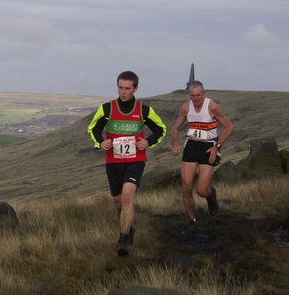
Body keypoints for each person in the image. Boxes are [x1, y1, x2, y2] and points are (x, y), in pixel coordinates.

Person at [87, 71, 167, 256]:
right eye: (120, 88)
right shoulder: (107, 109)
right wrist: (101, 142)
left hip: (135, 160)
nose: (123, 92)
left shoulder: (144, 110)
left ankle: (123, 241)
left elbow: (160, 129)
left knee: (127, 196)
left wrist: (148, 142)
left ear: (135, 88)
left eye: (127, 88)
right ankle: (129, 228)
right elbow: (94, 128)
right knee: (118, 202)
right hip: (113, 161)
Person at [171, 80, 234, 231]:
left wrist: (217, 146)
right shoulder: (186, 107)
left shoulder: (212, 106)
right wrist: (175, 143)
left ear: (203, 94)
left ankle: (211, 195)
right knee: (186, 187)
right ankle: (192, 221)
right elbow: (175, 128)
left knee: (201, 190)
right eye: (192, 96)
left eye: (198, 95)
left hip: (209, 147)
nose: (196, 99)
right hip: (192, 146)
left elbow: (229, 126)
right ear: (189, 95)